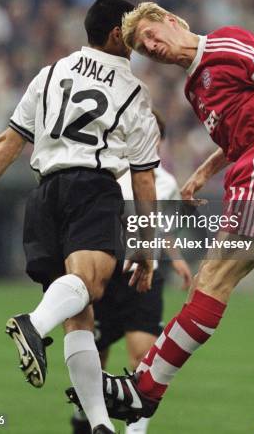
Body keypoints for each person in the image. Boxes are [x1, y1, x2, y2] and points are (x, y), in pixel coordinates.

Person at [89, 1, 254, 423]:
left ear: (173, 20)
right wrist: (202, 171)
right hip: (245, 168)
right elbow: (233, 139)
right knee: (205, 289)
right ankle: (144, 385)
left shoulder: (226, 43)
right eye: (142, 46)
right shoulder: (194, 88)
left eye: (152, 34)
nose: (151, 46)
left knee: (214, 279)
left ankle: (144, 388)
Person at [0, 0, 161, 434]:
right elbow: (144, 181)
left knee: (79, 313)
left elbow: (7, 142)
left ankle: (101, 425)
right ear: (114, 35)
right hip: (92, 188)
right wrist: (147, 247)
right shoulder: (134, 91)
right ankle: (33, 324)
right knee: (91, 284)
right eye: (131, 33)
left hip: (45, 193)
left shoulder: (51, 73)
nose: (137, 43)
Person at [70, 113, 192, 434]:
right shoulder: (111, 172)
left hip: (145, 275)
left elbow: (161, 227)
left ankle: (135, 431)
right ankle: (85, 418)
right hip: (108, 273)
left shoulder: (166, 183)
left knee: (143, 356)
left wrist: (176, 258)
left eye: (154, 137)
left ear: (159, 142)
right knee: (96, 354)